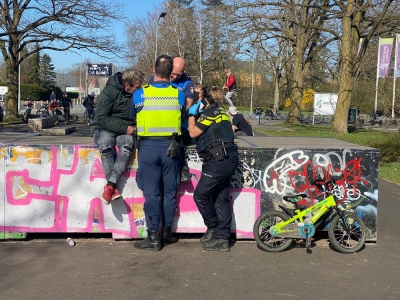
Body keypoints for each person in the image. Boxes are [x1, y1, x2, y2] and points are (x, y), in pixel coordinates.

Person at [130, 55, 186, 251]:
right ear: (171, 72)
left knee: (152, 194)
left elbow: (132, 117)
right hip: (172, 148)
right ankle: (167, 234)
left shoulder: (140, 94)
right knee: (170, 193)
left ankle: (153, 237)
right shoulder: (178, 94)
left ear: (153, 70)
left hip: (148, 148)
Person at [187, 86, 239, 252]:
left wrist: (191, 115)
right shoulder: (222, 112)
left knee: (200, 195)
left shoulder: (209, 113)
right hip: (229, 158)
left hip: (217, 160)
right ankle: (222, 239)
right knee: (220, 197)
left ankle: (213, 227)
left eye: (200, 97)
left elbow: (193, 133)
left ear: (205, 100)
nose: (198, 100)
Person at [91, 67, 144, 205]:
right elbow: (101, 118)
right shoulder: (108, 92)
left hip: (126, 128)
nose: (139, 90)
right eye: (137, 87)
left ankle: (110, 185)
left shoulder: (137, 94)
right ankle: (113, 187)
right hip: (104, 127)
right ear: (127, 85)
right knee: (106, 143)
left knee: (127, 144)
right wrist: (124, 128)